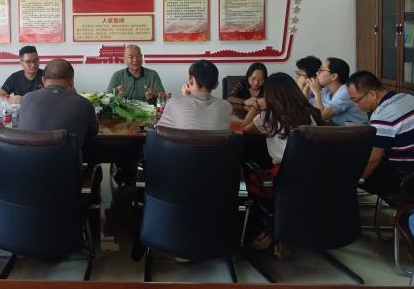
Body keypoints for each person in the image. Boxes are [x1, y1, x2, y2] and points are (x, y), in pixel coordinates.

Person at [240, 72, 325, 258]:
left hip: (284, 178)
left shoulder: (268, 117)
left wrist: (256, 107)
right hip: (314, 176)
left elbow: (244, 131)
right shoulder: (311, 114)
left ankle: (269, 229)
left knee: (250, 175)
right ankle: (280, 232)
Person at [347, 70, 414, 198]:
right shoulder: (407, 96)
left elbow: (373, 161)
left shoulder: (382, 115)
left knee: (353, 164)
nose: (356, 106)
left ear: (372, 94)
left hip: (406, 178)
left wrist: (355, 182)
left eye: (356, 100)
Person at [18, 59, 98, 151]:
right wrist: (76, 96)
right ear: (72, 81)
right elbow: (93, 132)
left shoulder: (26, 99)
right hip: (67, 160)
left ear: (43, 80)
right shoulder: (84, 103)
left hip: (27, 159)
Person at [158, 59, 232, 131]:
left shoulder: (173, 103)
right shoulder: (226, 106)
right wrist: (188, 97)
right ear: (216, 85)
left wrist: (186, 97)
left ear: (191, 80)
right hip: (215, 140)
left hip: (182, 140)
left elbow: (159, 131)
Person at [307, 57, 368, 126]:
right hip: (340, 130)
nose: (317, 73)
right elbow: (307, 109)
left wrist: (316, 92)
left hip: (359, 131)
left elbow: (322, 116)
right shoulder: (326, 91)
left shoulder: (346, 92)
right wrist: (306, 88)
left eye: (321, 70)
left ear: (334, 76)